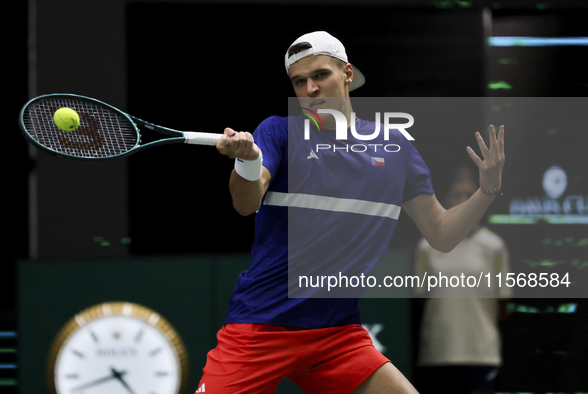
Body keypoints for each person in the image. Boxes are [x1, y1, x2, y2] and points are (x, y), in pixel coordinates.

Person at [199, 31, 505, 394]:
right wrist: (248, 162)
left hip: (336, 334)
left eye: (320, 75)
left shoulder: (394, 148)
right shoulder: (280, 132)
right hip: (262, 326)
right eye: (299, 82)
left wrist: (488, 190)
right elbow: (246, 203)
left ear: (346, 73)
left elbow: (441, 234)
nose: (310, 89)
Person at [413, 167, 511, 394]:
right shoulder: (426, 247)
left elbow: (503, 303)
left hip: (481, 353)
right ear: (445, 198)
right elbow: (421, 299)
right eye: (457, 194)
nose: (463, 200)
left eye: (469, 195)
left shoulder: (494, 246)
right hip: (437, 353)